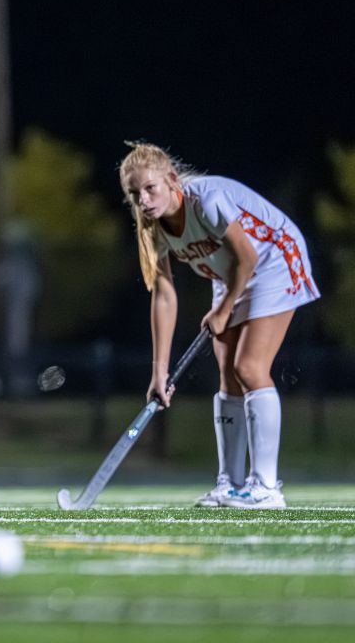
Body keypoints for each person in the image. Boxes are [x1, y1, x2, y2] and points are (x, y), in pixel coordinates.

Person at [119, 142, 319, 510]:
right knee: (228, 376)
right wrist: (159, 373)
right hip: (230, 275)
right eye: (135, 194)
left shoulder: (205, 201)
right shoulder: (152, 230)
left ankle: (267, 488)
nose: (144, 200)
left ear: (172, 180)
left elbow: (248, 256)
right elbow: (163, 296)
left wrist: (225, 308)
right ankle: (232, 484)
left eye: (150, 188)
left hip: (273, 258)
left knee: (249, 368)